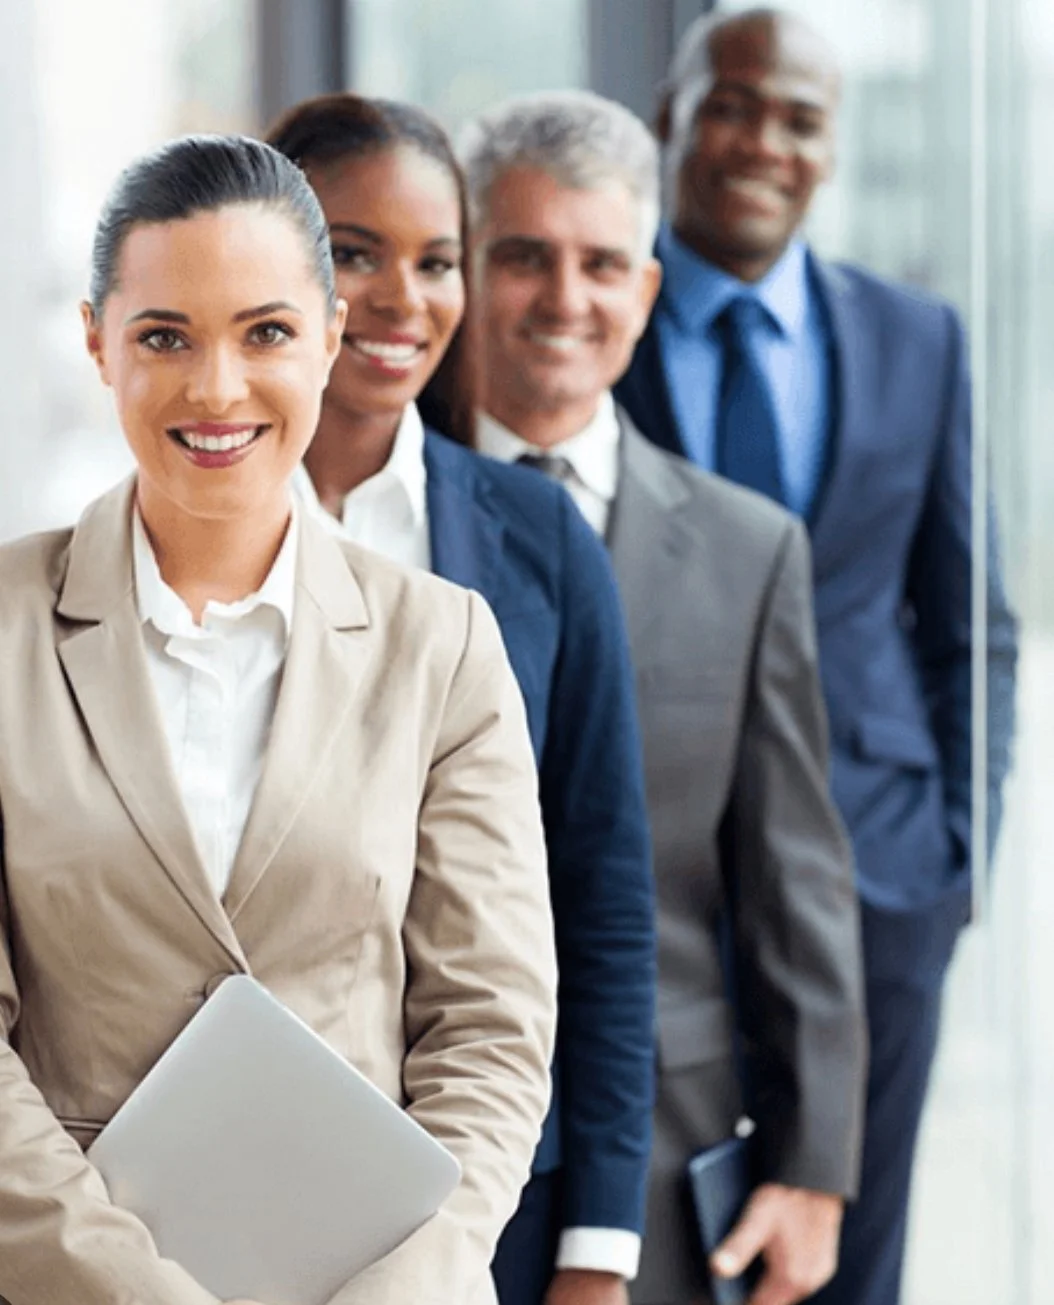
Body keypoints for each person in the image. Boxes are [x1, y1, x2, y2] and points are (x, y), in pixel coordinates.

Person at [0, 134, 559, 1305]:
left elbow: (490, 1026)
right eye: (164, 336)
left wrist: (414, 1281)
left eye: (264, 333)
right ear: (97, 341)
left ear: (330, 341)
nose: (216, 389)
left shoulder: (439, 645)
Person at [613, 10, 1019, 1304]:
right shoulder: (587, 326)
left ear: (830, 151)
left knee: (851, 1266)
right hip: (653, 896)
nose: (762, 142)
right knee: (655, 1257)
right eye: (734, 104)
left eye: (798, 119)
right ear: (672, 113)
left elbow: (970, 626)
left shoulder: (918, 340)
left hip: (875, 887)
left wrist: (955, 860)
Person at [458, 88, 867, 1305]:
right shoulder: (382, 519)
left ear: (645, 291)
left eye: (600, 264)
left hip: (666, 1147)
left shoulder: (749, 552)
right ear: (466, 270)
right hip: (422, 1143)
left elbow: (792, 876)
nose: (563, 299)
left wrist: (811, 1167)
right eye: (522, 256)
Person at [265, 96, 657, 1305]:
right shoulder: (174, 531)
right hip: (228, 1177)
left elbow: (602, 902)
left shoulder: (538, 539)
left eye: (436, 259)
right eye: (351, 252)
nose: (400, 297)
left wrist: (597, 1240)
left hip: (494, 1198)